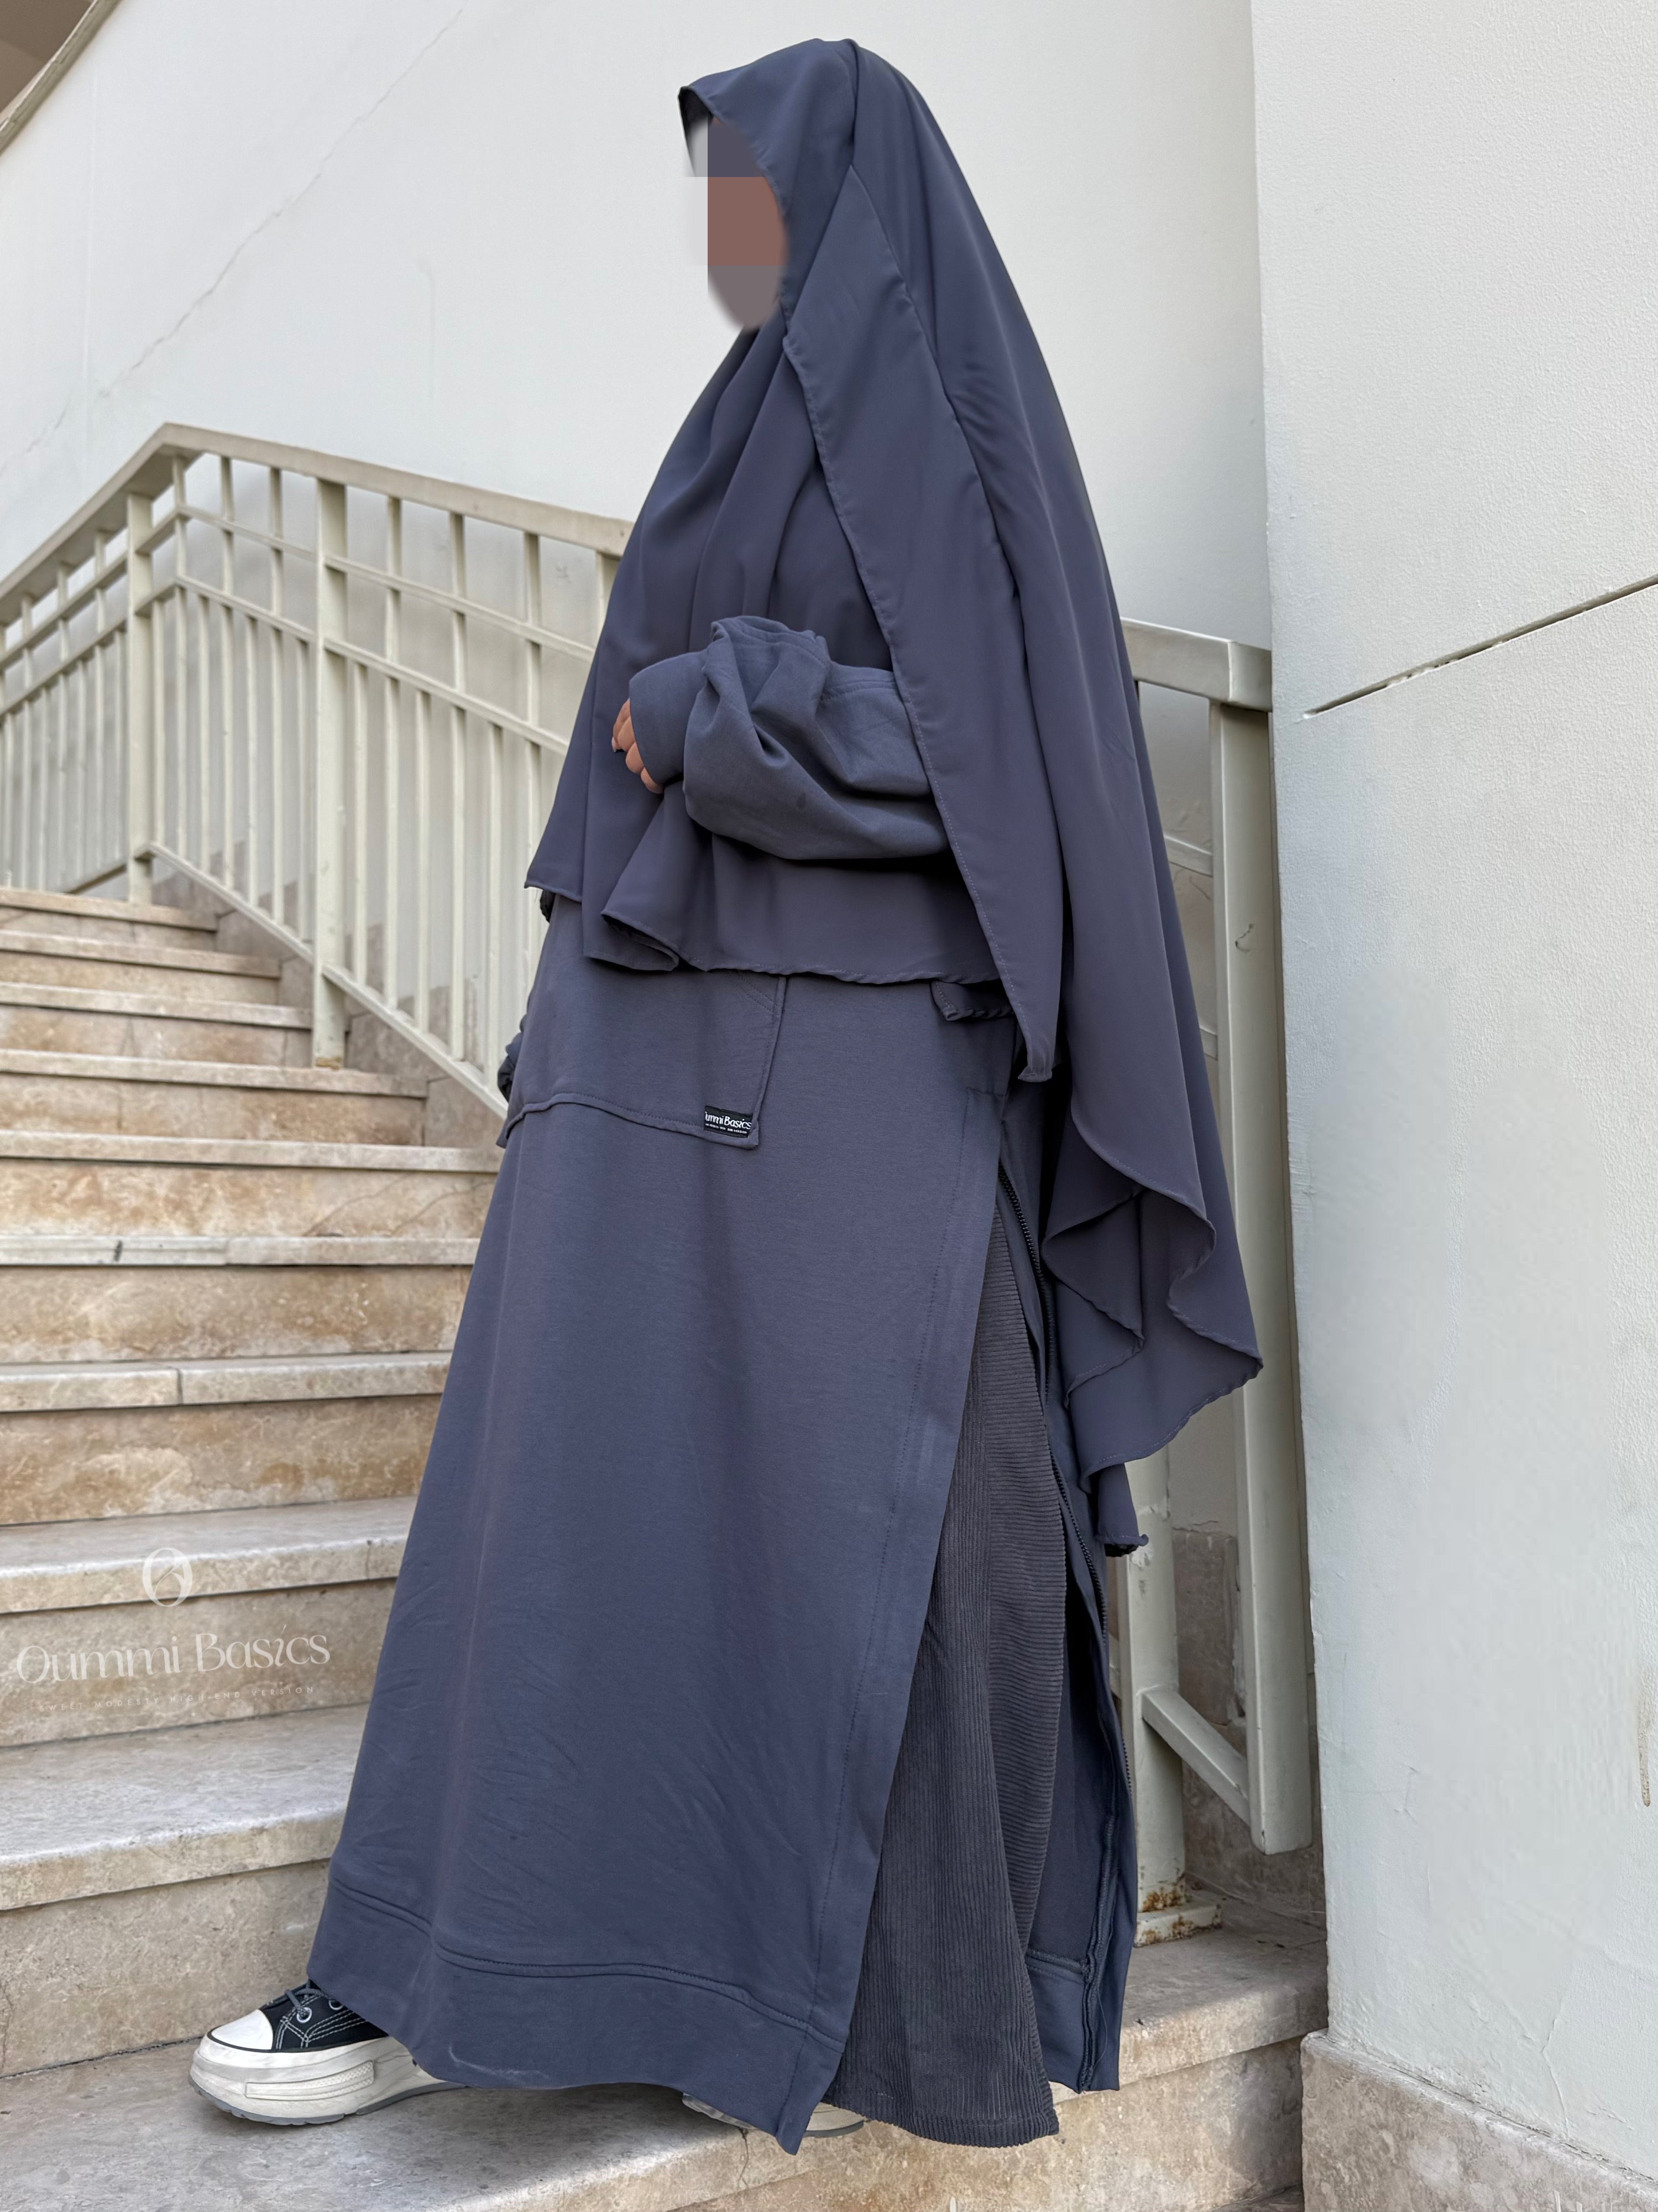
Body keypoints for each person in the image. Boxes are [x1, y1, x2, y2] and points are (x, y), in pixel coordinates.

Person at [190, 39, 1259, 2151]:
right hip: (653, 1061)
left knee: (874, 1540)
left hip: (850, 1070)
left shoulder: (931, 421)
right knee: (563, 1521)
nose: (718, 229)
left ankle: (847, 2008)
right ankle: (437, 1968)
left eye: (747, 185)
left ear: (849, 198)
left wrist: (717, 704)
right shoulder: (756, 416)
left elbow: (990, 760)